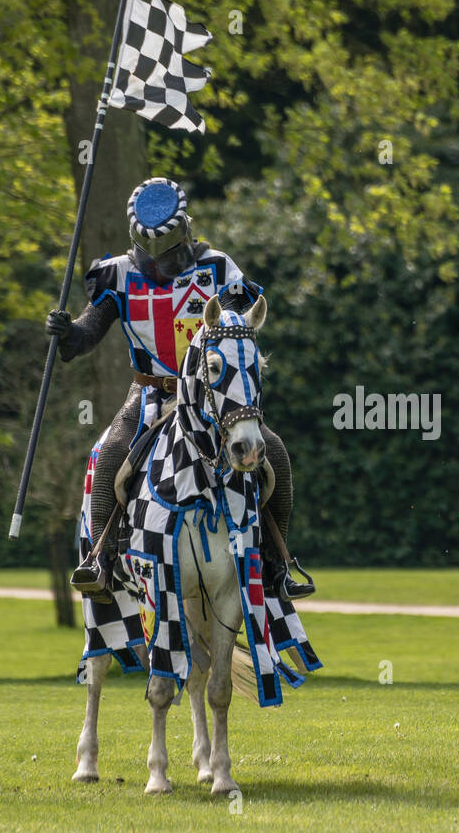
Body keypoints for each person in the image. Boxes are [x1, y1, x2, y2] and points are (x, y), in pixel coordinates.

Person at [46, 176, 315, 601]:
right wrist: (67, 332)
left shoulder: (217, 268)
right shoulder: (116, 275)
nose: (160, 268)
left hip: (211, 395)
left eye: (169, 258)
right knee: (111, 452)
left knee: (273, 452)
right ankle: (103, 560)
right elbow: (87, 334)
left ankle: (276, 563)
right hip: (149, 394)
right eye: (151, 259)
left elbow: (238, 330)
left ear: (185, 233)